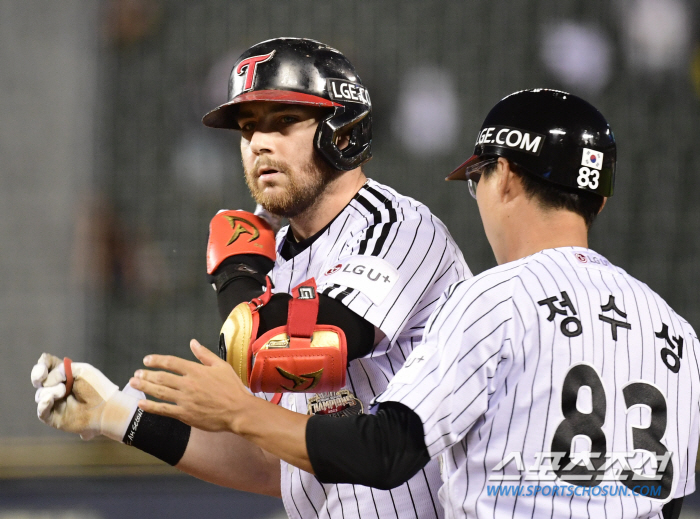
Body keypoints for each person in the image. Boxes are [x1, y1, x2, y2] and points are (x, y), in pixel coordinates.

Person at [124, 89, 697, 519]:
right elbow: (670, 499)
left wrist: (241, 412)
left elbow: (387, 449)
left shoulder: (490, 300)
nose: (477, 197)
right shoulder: (675, 334)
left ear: (509, 178)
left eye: (477, 179)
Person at [32, 37, 471, 519]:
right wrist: (117, 415)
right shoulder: (276, 259)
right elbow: (270, 462)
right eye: (247, 128)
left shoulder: (395, 226)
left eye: (283, 122)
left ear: (342, 134)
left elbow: (293, 350)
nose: (258, 143)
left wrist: (237, 274)